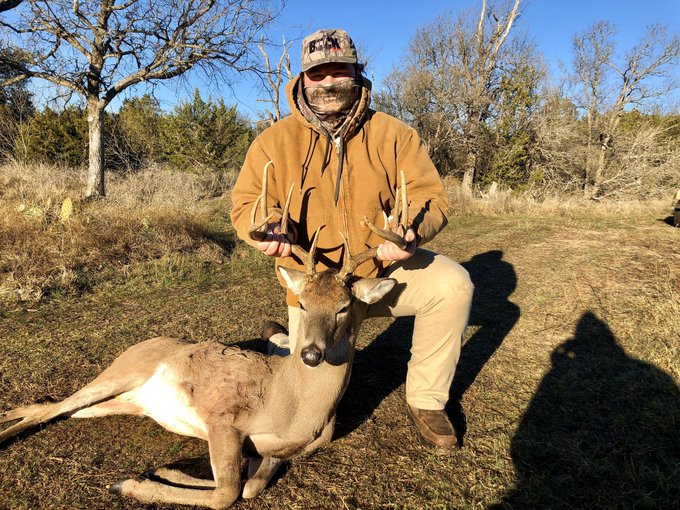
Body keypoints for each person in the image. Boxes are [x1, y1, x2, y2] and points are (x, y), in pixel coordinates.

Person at [231, 29, 474, 453]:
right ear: (303, 79)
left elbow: (430, 197)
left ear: (356, 73)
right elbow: (245, 205)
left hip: (375, 274)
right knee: (309, 395)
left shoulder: (394, 135)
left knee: (453, 285)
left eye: (338, 71)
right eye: (318, 73)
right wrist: (265, 229)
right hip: (313, 289)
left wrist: (411, 231)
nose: (328, 82)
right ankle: (281, 340)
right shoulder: (273, 142)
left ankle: (427, 400)